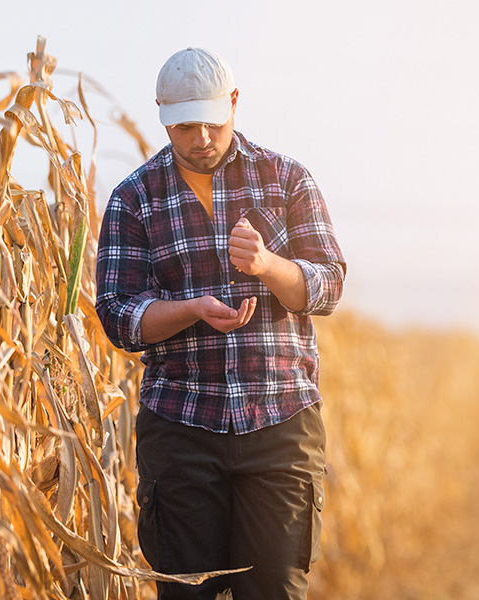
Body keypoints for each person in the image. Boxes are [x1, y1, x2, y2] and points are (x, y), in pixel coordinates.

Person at [95, 47, 346, 599]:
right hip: (181, 425)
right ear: (161, 113)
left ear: (234, 103)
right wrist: (189, 310)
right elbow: (117, 315)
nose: (201, 138)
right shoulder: (134, 199)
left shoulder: (287, 180)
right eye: (185, 127)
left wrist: (268, 266)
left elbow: (328, 285)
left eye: (213, 123)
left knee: (277, 590)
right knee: (186, 592)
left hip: (280, 419)